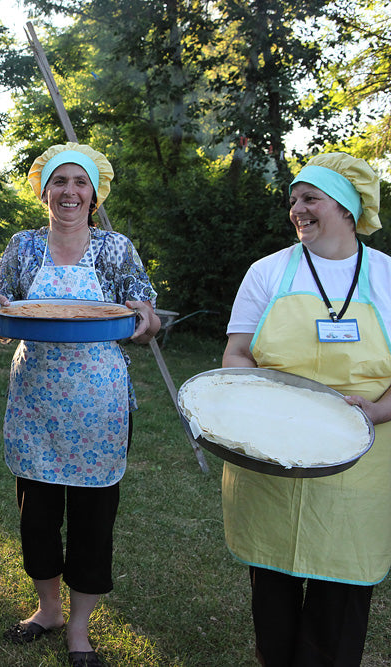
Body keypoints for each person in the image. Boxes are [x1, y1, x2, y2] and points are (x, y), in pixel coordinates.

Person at [0, 142, 159, 667]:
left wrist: (143, 321)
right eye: (60, 182)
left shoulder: (116, 248)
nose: (70, 193)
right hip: (36, 399)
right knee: (37, 518)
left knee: (92, 519)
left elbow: (146, 316)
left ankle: (79, 629)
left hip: (98, 402)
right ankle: (48, 610)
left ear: (95, 192)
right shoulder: (22, 246)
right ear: (44, 190)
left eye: (80, 183)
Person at [221, 152, 391, 666]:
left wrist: (377, 412)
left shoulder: (386, 277)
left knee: (338, 600)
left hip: (359, 463)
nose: (297, 208)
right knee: (272, 593)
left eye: (310, 197)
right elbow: (236, 353)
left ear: (345, 206)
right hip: (272, 456)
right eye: (294, 199)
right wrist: (253, 407)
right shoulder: (268, 272)